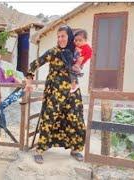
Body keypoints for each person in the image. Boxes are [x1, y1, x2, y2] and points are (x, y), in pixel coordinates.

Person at [25, 25, 86, 164]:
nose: (60, 39)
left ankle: (75, 149)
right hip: (55, 92)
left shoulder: (75, 52)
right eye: (58, 37)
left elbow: (79, 68)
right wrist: (29, 81)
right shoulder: (53, 52)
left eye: (63, 36)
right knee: (49, 119)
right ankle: (40, 150)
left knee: (75, 119)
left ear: (69, 37)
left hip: (72, 92)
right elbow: (34, 64)